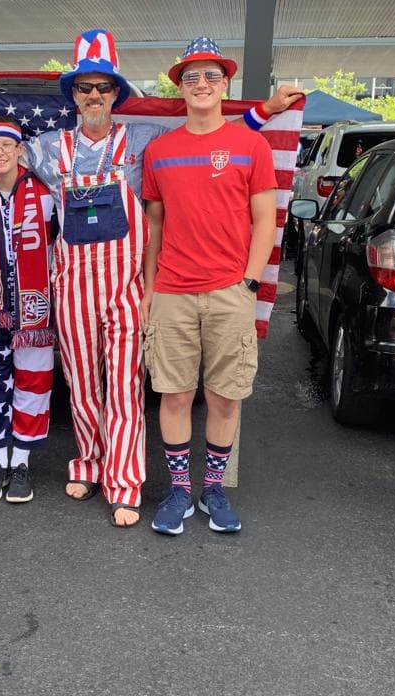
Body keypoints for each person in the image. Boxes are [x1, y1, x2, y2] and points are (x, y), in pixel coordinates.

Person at [0, 29, 302, 527]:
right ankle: (88, 463)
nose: (94, 96)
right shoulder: (48, 148)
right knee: (82, 384)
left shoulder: (146, 141)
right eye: (84, 88)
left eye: (104, 88)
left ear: (118, 94)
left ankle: (123, 479)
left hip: (125, 285)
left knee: (123, 385)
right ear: (72, 94)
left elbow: (208, 136)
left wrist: (263, 112)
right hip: (70, 283)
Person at [140, 37, 278, 536]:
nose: (201, 84)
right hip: (173, 292)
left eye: (211, 76)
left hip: (228, 291)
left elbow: (266, 220)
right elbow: (154, 225)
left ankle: (212, 489)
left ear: (225, 85)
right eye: (191, 77)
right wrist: (150, 288)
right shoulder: (159, 150)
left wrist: (248, 282)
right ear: (180, 86)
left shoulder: (251, 145)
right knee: (173, 396)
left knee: (224, 397)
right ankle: (179, 491)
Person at [0, 116, 56, 504]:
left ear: (20, 149)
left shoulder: (47, 190)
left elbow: (62, 245)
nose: (0, 152)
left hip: (35, 309)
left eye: (7, 145)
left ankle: (21, 462)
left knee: (34, 383)